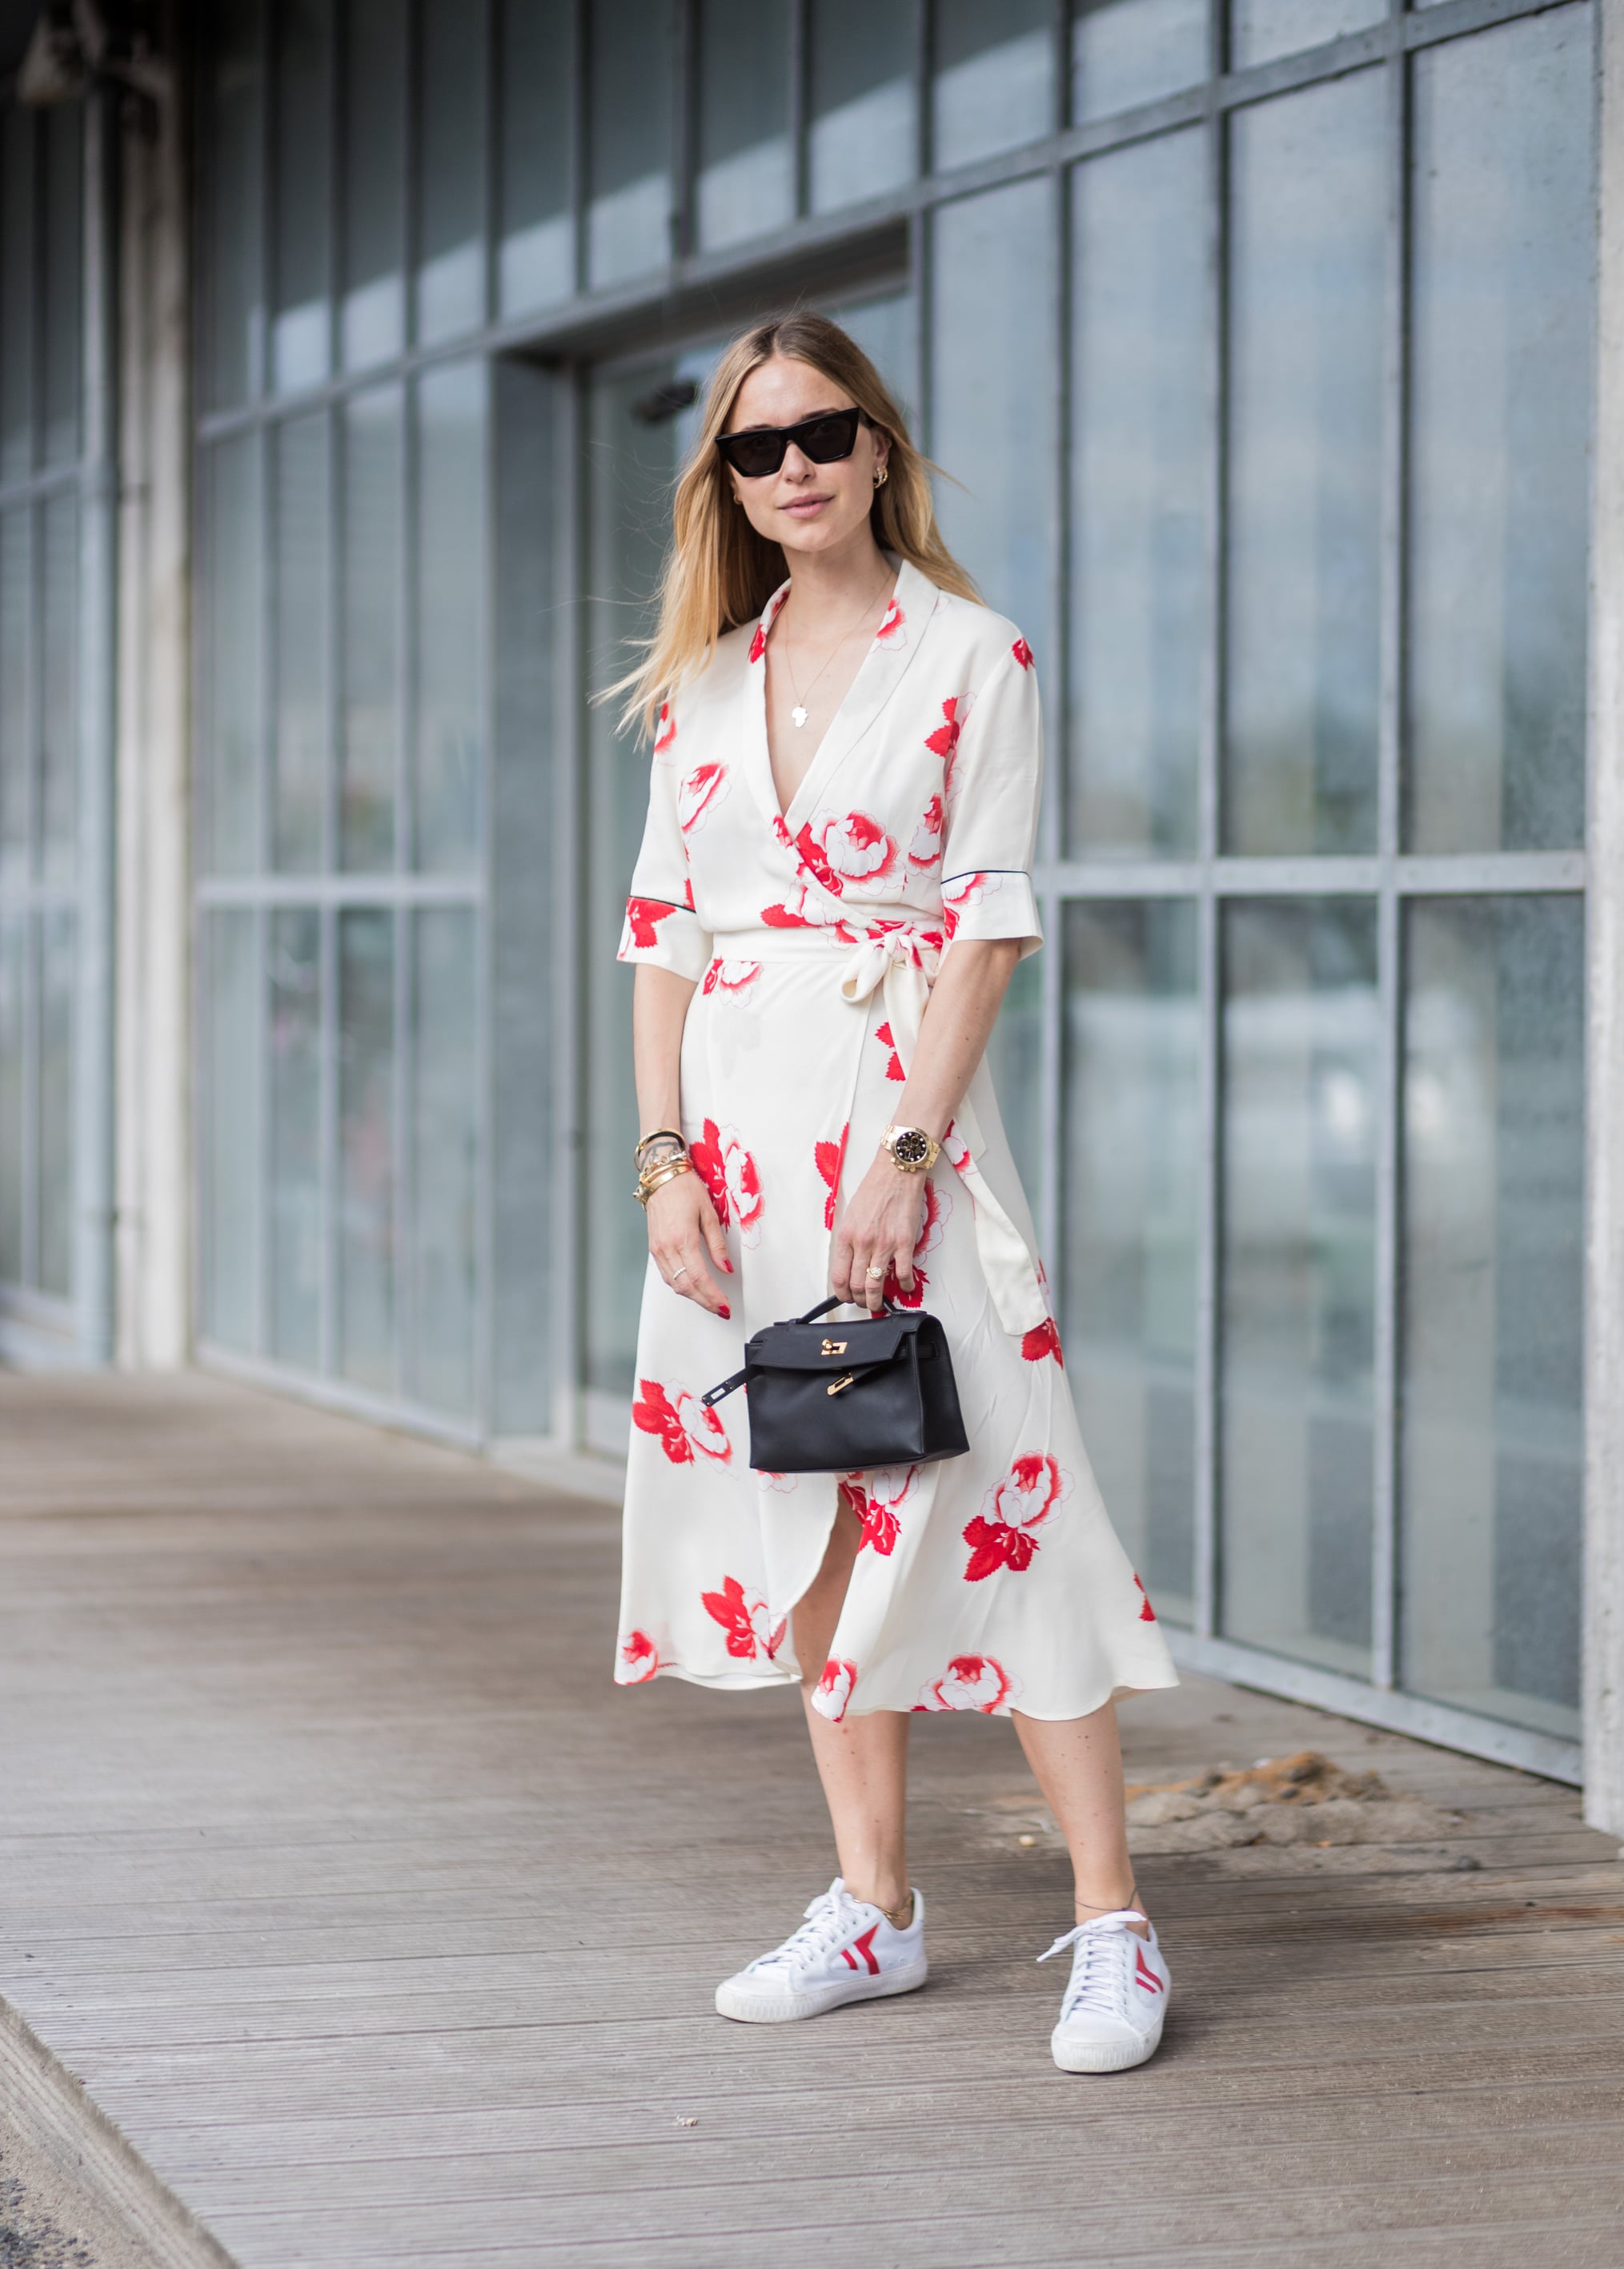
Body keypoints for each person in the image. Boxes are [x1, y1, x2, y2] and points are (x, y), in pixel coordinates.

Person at [608, 311, 1180, 2074]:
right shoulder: (700, 681)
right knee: (807, 1495)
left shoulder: (970, 653)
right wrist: (660, 1161)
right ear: (725, 479)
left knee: (1004, 1478)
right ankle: (876, 1904)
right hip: (734, 1143)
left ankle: (1111, 1924)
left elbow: (987, 924)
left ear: (877, 447)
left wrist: (910, 1154)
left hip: (894, 1117)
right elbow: (661, 939)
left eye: (821, 434)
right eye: (754, 448)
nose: (792, 470)